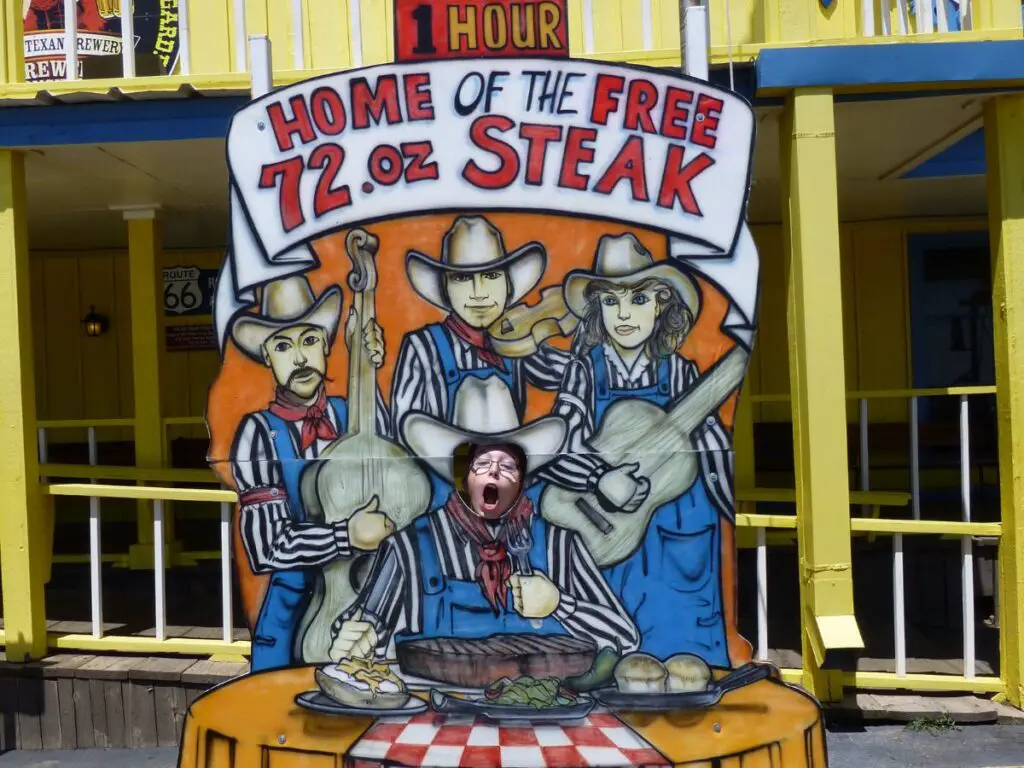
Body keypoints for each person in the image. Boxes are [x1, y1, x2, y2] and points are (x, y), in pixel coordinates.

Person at [329, 376, 639, 660]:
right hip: (438, 714)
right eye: (479, 464)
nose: (493, 474)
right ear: (458, 475)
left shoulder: (562, 546)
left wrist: (561, 605)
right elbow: (363, 627)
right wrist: (352, 639)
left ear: (523, 477)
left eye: (506, 465)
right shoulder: (408, 547)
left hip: (543, 712)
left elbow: (625, 639)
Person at [536, 233, 736, 666]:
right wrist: (599, 478)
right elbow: (559, 442)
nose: (624, 314)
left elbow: (715, 451)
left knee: (681, 658)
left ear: (662, 302)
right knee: (614, 651)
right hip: (604, 537)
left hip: (672, 539)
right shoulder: (584, 373)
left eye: (639, 300)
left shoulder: (682, 372)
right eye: (611, 302)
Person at [229, 275, 394, 672]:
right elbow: (265, 546)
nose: (299, 358)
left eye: (308, 340)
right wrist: (346, 535)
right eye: (283, 346)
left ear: (325, 345)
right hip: (294, 619)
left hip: (370, 612)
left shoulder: (355, 412)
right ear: (267, 357)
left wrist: (367, 375)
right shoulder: (258, 432)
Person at [390, 215, 574, 510]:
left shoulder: (516, 340)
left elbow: (573, 375)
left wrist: (589, 326)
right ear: (445, 288)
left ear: (508, 283)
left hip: (513, 495)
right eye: (462, 279)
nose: (479, 293)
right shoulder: (422, 346)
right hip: (444, 505)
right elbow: (401, 438)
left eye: (491, 276)